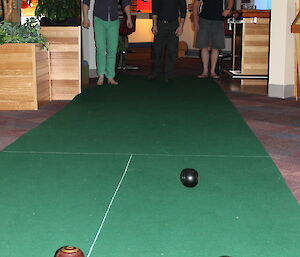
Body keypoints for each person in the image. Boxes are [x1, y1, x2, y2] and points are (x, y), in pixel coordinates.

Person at [82, 0, 133, 85]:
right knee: (100, 47)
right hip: (99, 19)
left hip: (114, 20)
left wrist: (129, 17)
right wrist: (85, 17)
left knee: (112, 49)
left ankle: (110, 76)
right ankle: (101, 75)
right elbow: (86, 1)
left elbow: (125, 1)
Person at [193, 0, 234, 79]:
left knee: (216, 47)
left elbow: (230, 0)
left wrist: (228, 9)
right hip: (204, 19)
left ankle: (212, 72)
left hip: (218, 20)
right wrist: (195, 21)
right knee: (203, 46)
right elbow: (196, 5)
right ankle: (205, 71)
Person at [149, 0, 187, 83]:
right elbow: (154, 9)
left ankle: (168, 75)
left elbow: (183, 10)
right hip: (160, 24)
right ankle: (156, 71)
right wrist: (154, 25)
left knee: (172, 51)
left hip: (173, 25)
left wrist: (181, 26)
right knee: (157, 50)